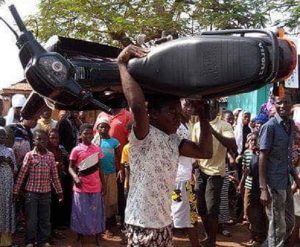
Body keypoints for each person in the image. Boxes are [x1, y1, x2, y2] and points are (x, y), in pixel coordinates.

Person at [117, 45, 213, 247]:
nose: (178, 118)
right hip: (141, 222)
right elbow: (137, 107)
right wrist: (122, 64)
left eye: (179, 113)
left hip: (164, 222)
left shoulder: (174, 141)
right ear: (154, 114)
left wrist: (203, 115)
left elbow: (205, 152)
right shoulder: (144, 135)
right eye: (172, 112)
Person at [192, 100, 237, 247]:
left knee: (212, 208)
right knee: (201, 207)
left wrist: (212, 131)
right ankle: (208, 234)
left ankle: (212, 240)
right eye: (204, 107)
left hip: (216, 173)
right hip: (200, 171)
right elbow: (194, 148)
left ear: (216, 108)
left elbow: (232, 144)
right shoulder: (197, 126)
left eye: (209, 106)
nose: (206, 109)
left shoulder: (225, 125)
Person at [259, 94, 300, 246]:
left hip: (285, 181)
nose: (282, 106)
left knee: (289, 223)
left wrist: (295, 178)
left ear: (291, 105)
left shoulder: (289, 126)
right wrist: (263, 189)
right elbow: (262, 157)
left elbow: (287, 157)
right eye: (279, 103)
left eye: (286, 103)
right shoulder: (269, 127)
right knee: (277, 226)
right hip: (273, 183)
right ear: (274, 105)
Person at [13, 129, 63, 247]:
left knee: (45, 219)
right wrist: (16, 191)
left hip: (46, 193)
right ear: (34, 141)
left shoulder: (50, 156)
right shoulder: (29, 155)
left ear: (47, 142)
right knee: (31, 219)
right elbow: (22, 174)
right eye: (39, 139)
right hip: (31, 193)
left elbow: (54, 176)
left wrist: (60, 192)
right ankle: (30, 240)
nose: (42, 142)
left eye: (44, 140)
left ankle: (43, 240)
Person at [68, 124, 105, 246]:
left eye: (90, 133)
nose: (88, 136)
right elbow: (70, 168)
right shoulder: (76, 150)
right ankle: (79, 236)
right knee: (80, 212)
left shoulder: (97, 149)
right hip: (80, 186)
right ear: (80, 135)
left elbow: (100, 169)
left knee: (95, 212)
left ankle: (96, 237)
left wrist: (103, 185)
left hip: (95, 186)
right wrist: (75, 177)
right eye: (86, 133)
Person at [171, 99, 200, 247]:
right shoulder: (178, 127)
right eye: (186, 105)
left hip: (184, 176)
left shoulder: (185, 125)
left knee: (187, 215)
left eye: (192, 106)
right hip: (179, 178)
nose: (190, 109)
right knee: (185, 216)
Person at [93, 117, 120, 237]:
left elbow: (119, 157)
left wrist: (120, 170)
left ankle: (109, 224)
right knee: (100, 198)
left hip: (111, 173)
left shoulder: (114, 142)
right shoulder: (95, 142)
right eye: (101, 126)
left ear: (109, 128)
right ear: (97, 128)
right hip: (98, 175)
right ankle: (99, 225)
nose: (103, 129)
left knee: (110, 198)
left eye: (105, 126)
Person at [240, 132, 267, 246]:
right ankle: (252, 235)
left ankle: (259, 237)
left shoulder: (262, 154)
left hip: (259, 187)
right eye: (251, 140)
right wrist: (241, 184)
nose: (253, 142)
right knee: (247, 212)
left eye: (255, 140)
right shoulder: (246, 154)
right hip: (248, 186)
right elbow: (244, 171)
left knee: (260, 213)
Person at [47, 128, 70, 235]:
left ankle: (57, 225)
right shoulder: (46, 150)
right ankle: (51, 228)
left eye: (56, 138)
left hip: (60, 179)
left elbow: (68, 159)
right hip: (48, 181)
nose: (54, 140)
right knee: (50, 204)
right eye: (52, 137)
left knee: (58, 202)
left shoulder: (61, 149)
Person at [0, 127, 16, 247]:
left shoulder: (10, 150)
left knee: (6, 208)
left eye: (3, 135)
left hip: (7, 185)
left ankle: (5, 242)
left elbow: (15, 169)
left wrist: (9, 162)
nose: (2, 137)